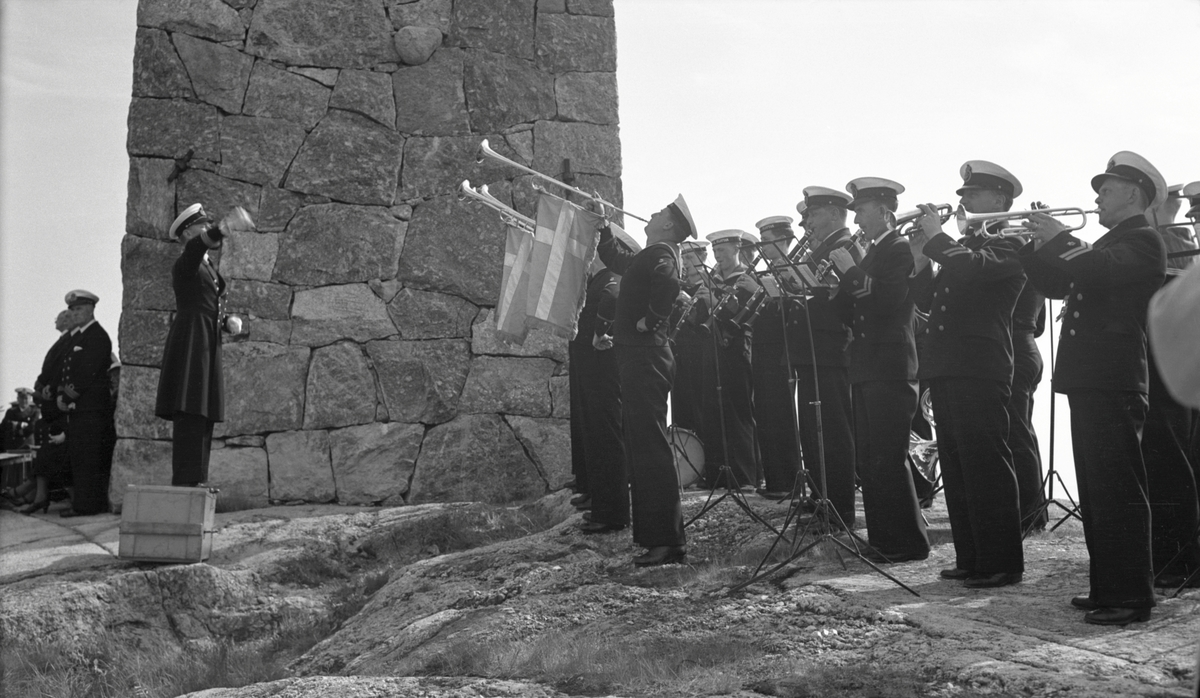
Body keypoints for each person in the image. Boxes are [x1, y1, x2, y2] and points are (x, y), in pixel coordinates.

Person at [1020, 151, 1166, 626]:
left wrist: (1058, 236)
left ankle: (1131, 596)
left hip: (1114, 378)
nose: (1097, 197)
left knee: (1118, 490)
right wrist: (1030, 245)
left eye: (1106, 189)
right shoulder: (1108, 244)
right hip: (1093, 379)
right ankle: (1108, 586)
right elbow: (1057, 283)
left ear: (1133, 194)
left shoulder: (1142, 240)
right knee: (1098, 492)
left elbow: (1097, 268)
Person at [907, 160, 1027, 588]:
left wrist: (937, 239)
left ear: (998, 200)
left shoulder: (1012, 240)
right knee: (957, 466)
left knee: (986, 465)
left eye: (973, 196)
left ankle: (1002, 561)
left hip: (980, 366)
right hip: (950, 366)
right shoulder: (964, 246)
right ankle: (972, 556)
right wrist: (922, 256)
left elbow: (973, 270)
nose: (964, 202)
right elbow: (926, 300)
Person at [828, 177, 930, 563]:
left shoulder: (898, 248)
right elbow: (850, 309)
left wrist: (851, 272)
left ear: (885, 213)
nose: (857, 219)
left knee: (888, 455)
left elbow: (888, 299)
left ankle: (909, 541)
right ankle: (884, 539)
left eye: (863, 212)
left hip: (890, 364)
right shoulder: (871, 251)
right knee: (870, 458)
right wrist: (837, 282)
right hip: (868, 365)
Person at [594, 194, 696, 566]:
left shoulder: (663, 254)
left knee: (650, 445)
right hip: (639, 355)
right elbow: (617, 260)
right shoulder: (651, 253)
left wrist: (651, 320)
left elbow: (668, 283)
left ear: (669, 225)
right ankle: (656, 536)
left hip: (646, 356)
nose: (650, 215)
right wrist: (605, 226)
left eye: (658, 213)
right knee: (642, 441)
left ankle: (667, 540)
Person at [156, 203, 248, 488]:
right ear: (187, 234)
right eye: (202, 226)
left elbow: (208, 301)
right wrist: (221, 229)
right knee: (191, 409)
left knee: (203, 411)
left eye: (209, 225)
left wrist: (226, 321)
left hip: (206, 339)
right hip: (192, 341)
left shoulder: (207, 266)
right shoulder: (187, 260)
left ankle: (198, 480)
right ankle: (187, 482)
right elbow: (197, 248)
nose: (207, 229)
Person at [786, 187, 859, 528]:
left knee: (832, 432)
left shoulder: (846, 246)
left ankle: (839, 508)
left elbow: (845, 297)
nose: (808, 222)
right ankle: (820, 498)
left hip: (831, 349)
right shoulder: (823, 248)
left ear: (832, 214)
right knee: (812, 431)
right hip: (813, 349)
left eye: (813, 215)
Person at [1141, 181, 1200, 589]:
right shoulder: (1174, 237)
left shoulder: (1174, 238)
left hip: (1179, 372)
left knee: (1173, 458)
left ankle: (1181, 558)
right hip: (1174, 369)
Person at [693, 229, 760, 489]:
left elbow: (739, 318)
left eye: (722, 251)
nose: (718, 256)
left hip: (735, 350)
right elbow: (700, 320)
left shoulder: (746, 278)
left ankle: (744, 475)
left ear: (736, 249)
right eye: (715, 252)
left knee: (737, 411)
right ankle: (717, 472)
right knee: (712, 410)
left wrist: (713, 300)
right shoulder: (713, 279)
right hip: (712, 351)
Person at [573, 238, 628, 534]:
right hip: (593, 364)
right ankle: (602, 502)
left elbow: (612, 303)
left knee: (606, 434)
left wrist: (598, 334)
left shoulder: (609, 278)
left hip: (602, 364)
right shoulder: (599, 277)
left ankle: (611, 511)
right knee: (596, 433)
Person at [749, 217, 802, 500]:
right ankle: (775, 478)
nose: (762, 248)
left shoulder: (793, 267)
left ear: (782, 240)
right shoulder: (769, 269)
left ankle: (789, 479)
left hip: (781, 349)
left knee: (780, 413)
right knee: (766, 411)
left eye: (766, 241)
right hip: (764, 346)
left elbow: (794, 306)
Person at [57, 289, 116, 516]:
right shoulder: (80, 336)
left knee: (90, 457)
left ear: (91, 310)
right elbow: (68, 371)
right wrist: (63, 394)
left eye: (79, 308)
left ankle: (88, 505)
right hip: (81, 407)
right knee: (81, 456)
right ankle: (83, 503)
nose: (75, 313)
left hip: (92, 406)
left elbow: (86, 372)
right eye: (72, 309)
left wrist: (67, 397)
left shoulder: (97, 336)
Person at [671, 239, 711, 438]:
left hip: (700, 354)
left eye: (689, 257)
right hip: (679, 354)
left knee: (700, 409)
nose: (685, 262)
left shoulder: (710, 284)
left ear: (703, 256)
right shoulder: (679, 286)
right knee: (681, 410)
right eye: (683, 257)